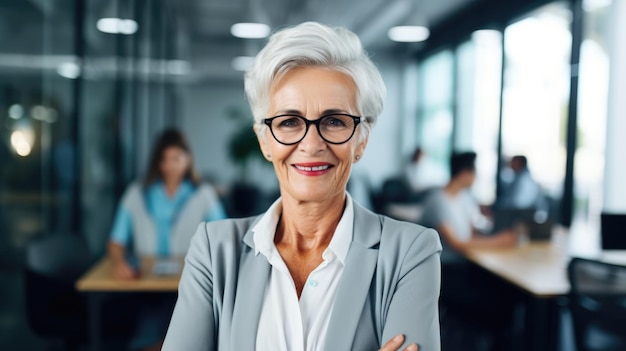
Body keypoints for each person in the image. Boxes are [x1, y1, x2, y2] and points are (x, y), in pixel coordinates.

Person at [163, 22, 441, 351]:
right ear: (265, 141)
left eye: (335, 121)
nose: (311, 144)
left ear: (361, 140)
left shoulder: (410, 253)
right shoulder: (214, 251)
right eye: (289, 122)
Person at [108, 128, 226, 351]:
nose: (170, 166)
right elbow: (116, 241)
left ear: (188, 159)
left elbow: (222, 237)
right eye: (164, 159)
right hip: (146, 284)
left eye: (176, 158)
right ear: (156, 162)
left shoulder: (203, 194)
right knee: (149, 329)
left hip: (189, 281)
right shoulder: (137, 193)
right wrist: (118, 263)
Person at [419, 151, 516, 263]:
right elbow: (456, 245)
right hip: (445, 266)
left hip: (465, 259)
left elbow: (471, 236)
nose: (476, 177)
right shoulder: (437, 201)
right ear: (465, 173)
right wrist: (499, 241)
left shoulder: (466, 198)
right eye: (475, 172)